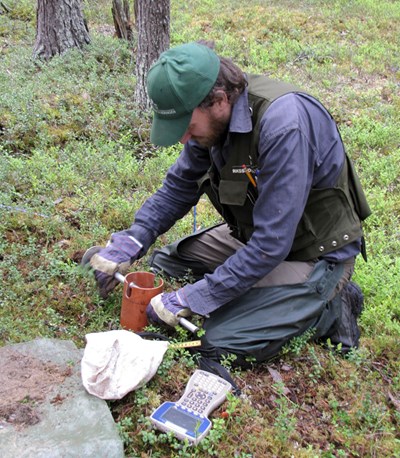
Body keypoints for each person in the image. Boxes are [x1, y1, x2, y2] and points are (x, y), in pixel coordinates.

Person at [88, 41, 371, 366]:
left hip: (313, 251)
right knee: (166, 264)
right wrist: (132, 239)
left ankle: (329, 307)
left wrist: (193, 297)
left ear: (219, 101)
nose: (183, 139)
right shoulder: (211, 125)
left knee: (218, 340)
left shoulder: (284, 125)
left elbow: (271, 244)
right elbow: (179, 187)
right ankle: (274, 296)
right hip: (256, 237)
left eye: (188, 127)